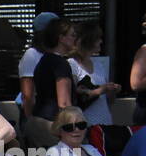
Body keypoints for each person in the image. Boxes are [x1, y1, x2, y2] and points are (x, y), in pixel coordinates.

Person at [25, 18, 78, 147]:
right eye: (72, 35)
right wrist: (74, 128)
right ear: (61, 38)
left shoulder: (43, 61)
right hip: (52, 125)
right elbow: (64, 103)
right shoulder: (61, 64)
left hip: (35, 122)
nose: (75, 39)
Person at [69, 20, 121, 127]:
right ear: (88, 41)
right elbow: (73, 98)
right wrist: (100, 90)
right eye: (97, 39)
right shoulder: (71, 64)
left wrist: (112, 90)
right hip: (86, 125)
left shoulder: (98, 64)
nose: (101, 41)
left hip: (105, 122)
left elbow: (109, 101)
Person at [18, 11, 59, 132]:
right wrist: (31, 122)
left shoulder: (56, 55)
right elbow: (27, 94)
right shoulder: (32, 55)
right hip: (37, 116)